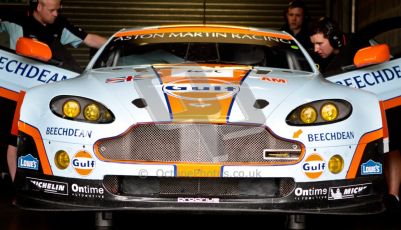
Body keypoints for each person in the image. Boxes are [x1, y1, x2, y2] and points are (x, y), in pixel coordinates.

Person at [0, 0, 107, 182]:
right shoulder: (15, 19)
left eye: (58, 9)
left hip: (51, 94)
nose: (56, 14)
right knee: (14, 143)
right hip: (22, 92)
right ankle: (16, 187)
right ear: (38, 7)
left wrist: (116, 45)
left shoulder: (59, 24)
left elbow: (90, 39)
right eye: (52, 10)